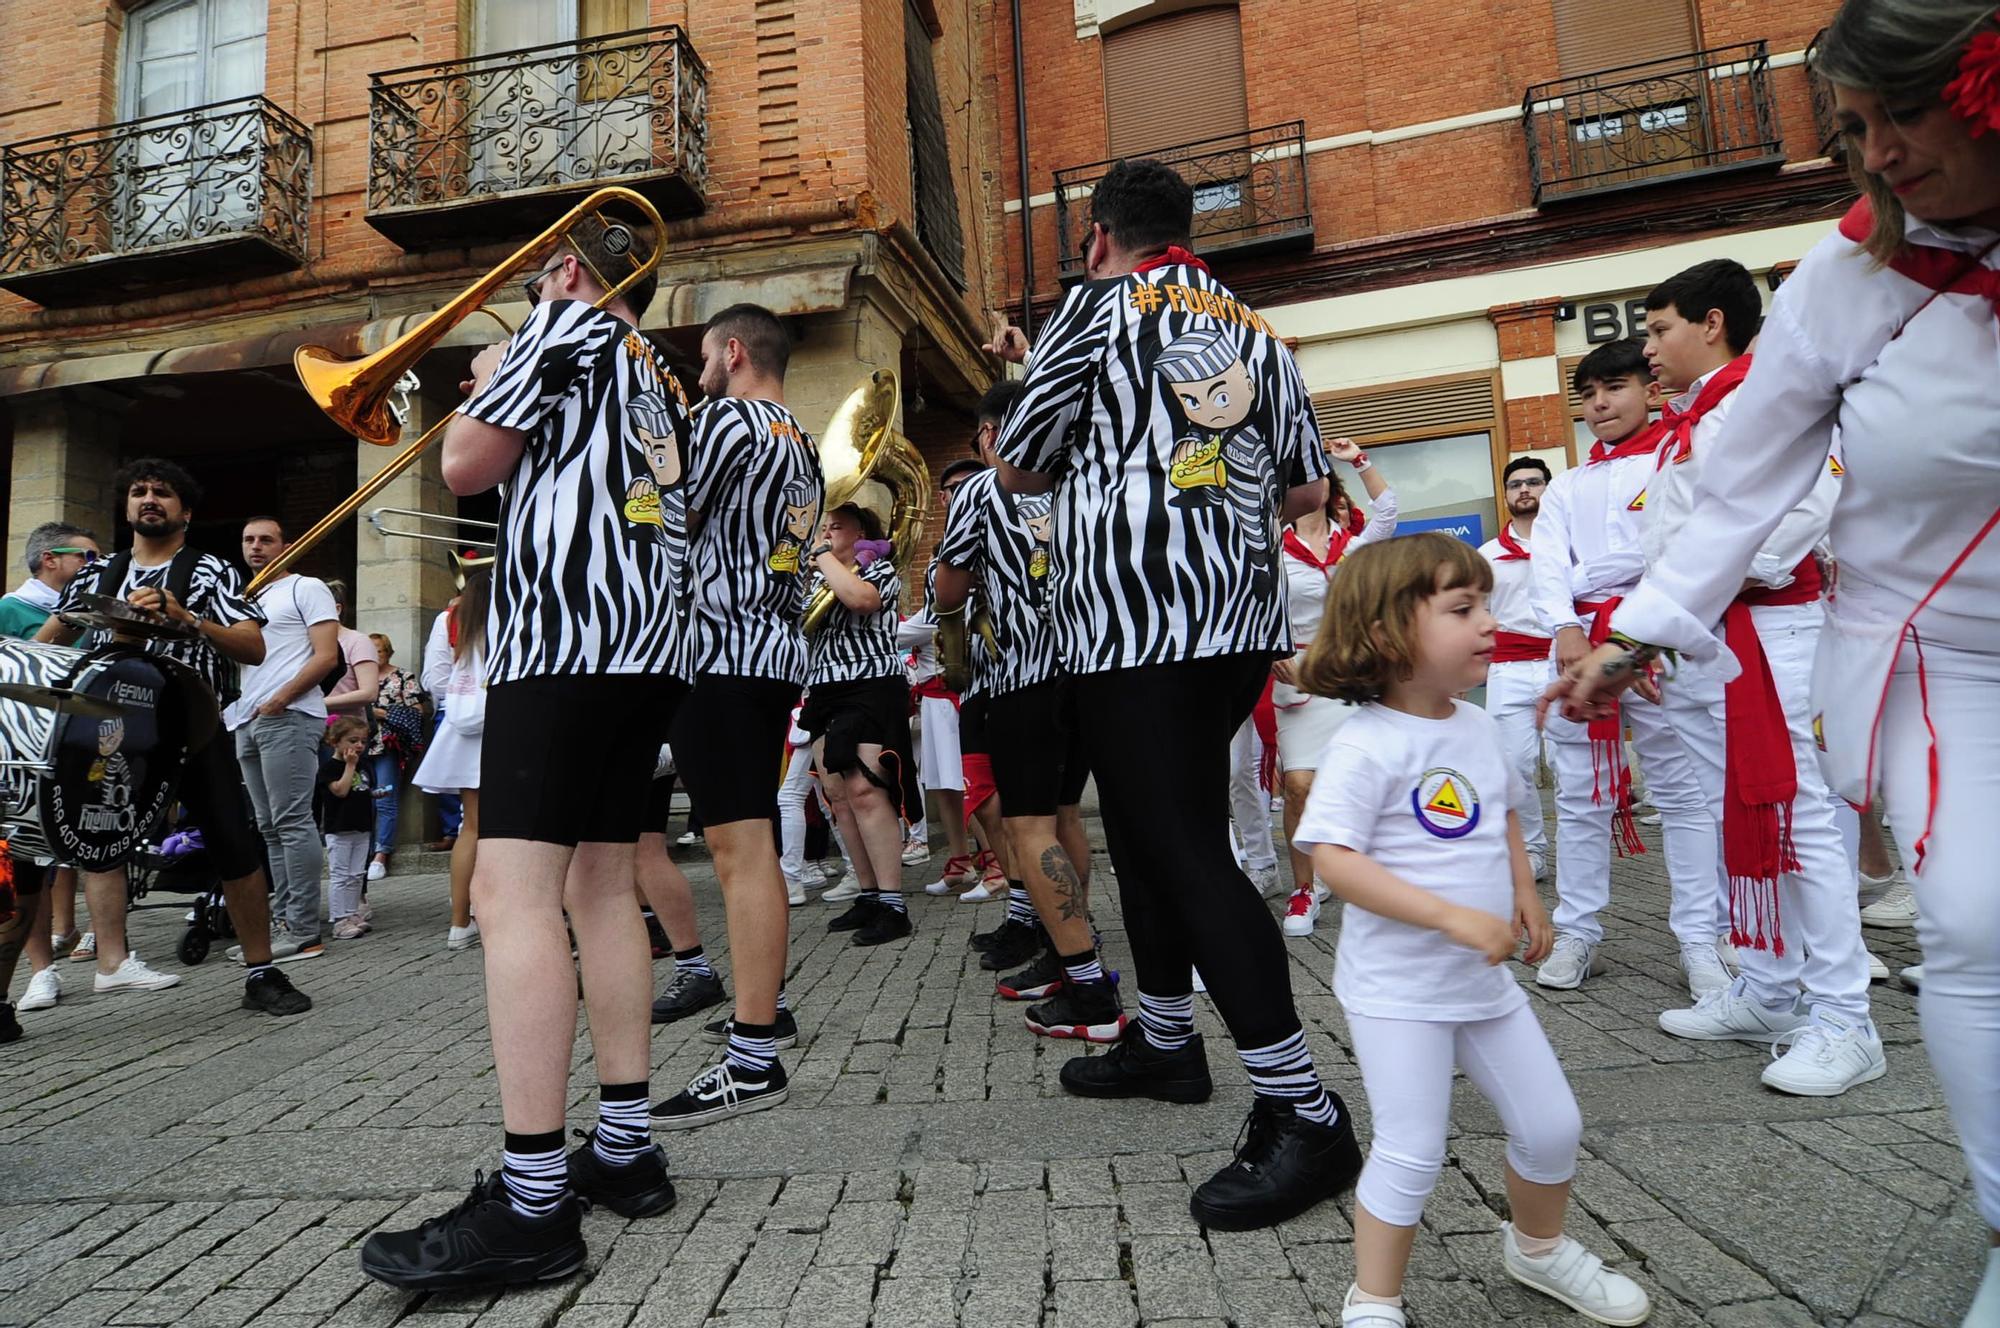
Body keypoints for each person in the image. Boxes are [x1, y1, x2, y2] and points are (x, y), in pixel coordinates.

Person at [1548, 5, 2000, 1314]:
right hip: (1939, 653)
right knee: (1974, 918)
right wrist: (1634, 641)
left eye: (1899, 115)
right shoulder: (1849, 283)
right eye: (1855, 129)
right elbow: (1740, 496)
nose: (1881, 154)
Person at [994, 158, 1357, 1229]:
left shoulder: (1092, 308)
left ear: (1098, 233)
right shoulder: (1254, 325)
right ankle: (1160, 1038)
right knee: (1161, 835)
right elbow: (1301, 487)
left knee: (1181, 845)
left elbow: (1016, 467)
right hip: (1232, 620)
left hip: (1129, 624)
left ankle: (1306, 1113)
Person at [362, 216, 691, 1288]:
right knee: (602, 883)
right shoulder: (654, 369)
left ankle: (534, 1198)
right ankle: (625, 1143)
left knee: (510, 895)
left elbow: (463, 466)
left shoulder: (565, 325)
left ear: (562, 270)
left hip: (566, 645)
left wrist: (494, 372)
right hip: (644, 646)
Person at [1294, 534, 1650, 1328]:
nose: (1490, 621)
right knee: (1412, 1150)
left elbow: (1504, 815)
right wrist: (1450, 914)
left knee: (1553, 1125)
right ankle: (1374, 1300)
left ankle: (1538, 1247)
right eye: (1464, 608)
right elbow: (1333, 859)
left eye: (1487, 602)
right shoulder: (1364, 745)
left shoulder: (1480, 728)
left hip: (1482, 985)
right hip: (1399, 992)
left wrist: (1526, 893)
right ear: (1388, 632)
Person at [1635, 258, 1882, 1095]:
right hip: (1705, 637)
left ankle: (1846, 1018)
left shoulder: (1767, 394)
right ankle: (1770, 988)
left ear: (1712, 323)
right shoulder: (1691, 418)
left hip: (1770, 629)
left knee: (1801, 820)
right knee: (1732, 811)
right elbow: (1669, 540)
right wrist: (1655, 628)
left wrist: (1706, 582)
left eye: (1660, 328)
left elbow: (1805, 505)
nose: (1649, 347)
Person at [35, 459, 311, 1017]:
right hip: (109, 731)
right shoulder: (96, 574)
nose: (149, 499)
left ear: (185, 510)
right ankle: (99, 968)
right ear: (127, 506)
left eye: (162, 492)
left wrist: (189, 620)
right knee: (85, 843)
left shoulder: (210, 570)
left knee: (234, 841)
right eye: (138, 491)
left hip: (191, 726)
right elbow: (51, 637)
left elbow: (252, 647)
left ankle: (261, 970)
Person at [649, 303, 822, 1127]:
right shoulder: (804, 442)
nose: (699, 375)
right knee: (747, 843)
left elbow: (662, 519)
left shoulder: (723, 422)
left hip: (717, 652)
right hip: (770, 652)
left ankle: (753, 1054)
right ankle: (763, 1015)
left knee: (738, 847)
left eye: (705, 359)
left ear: (733, 349)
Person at [1529, 338, 1733, 996]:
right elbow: (1549, 564)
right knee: (1582, 796)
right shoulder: (1568, 485)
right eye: (1587, 395)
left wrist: (1626, 610)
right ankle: (1579, 932)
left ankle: (1702, 939)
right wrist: (1564, 624)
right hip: (1582, 641)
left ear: (1650, 390)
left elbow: (1676, 556)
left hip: (1660, 639)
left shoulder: (1679, 460)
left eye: (1613, 388)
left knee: (1684, 796)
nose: (1599, 404)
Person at [935, 379, 1123, 1042]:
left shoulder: (984, 490)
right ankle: (1066, 945)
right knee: (1065, 814)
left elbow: (950, 589)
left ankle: (1088, 988)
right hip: (1087, 671)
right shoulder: (1082, 477)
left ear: (991, 435)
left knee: (1030, 827)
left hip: (1021, 676)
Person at [1275, 438, 1397, 938]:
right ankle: (1305, 888)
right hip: (1297, 674)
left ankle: (1365, 877)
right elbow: (1253, 603)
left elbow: (1388, 510)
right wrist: (1272, 650)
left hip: (1348, 672)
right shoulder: (1268, 544)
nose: (1310, 486)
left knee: (1358, 776)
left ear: (1326, 488)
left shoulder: (1354, 545)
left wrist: (1360, 460)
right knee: (1299, 785)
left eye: (1316, 477)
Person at [797, 503, 916, 946]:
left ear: (862, 531)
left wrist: (824, 556)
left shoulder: (879, 568)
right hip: (823, 689)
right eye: (824, 527)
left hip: (869, 684)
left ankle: (893, 903)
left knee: (866, 791)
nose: (827, 531)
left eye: (837, 526)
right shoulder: (814, 578)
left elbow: (862, 601)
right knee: (838, 796)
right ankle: (867, 892)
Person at [0, 521, 100, 1027]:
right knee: (31, 860)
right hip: (26, 750)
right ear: (49, 559)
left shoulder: (94, 609)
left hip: (81, 741)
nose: (94, 566)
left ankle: (92, 942)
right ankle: (40, 970)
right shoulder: (9, 608)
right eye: (86, 557)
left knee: (79, 846)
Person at [229, 516, 341, 962]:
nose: (256, 547)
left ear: (286, 545)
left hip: (289, 715)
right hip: (245, 720)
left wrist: (279, 699)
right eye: (248, 539)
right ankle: (283, 924)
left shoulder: (306, 587)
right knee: (270, 827)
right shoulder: (242, 597)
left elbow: (326, 656)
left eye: (266, 540)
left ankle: (303, 928)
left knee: (292, 822)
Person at [1474, 456, 1553, 884]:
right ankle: (1532, 852)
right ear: (1505, 495)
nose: (1524, 490)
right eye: (1515, 484)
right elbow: (1477, 615)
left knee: (1570, 764)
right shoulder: (1488, 556)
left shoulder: (1566, 543)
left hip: (1563, 663)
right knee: (1513, 766)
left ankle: (1582, 853)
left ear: (1548, 489)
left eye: (1534, 482)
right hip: (1509, 669)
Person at [413, 571, 489, 952]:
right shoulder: (519, 611)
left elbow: (434, 678)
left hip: (463, 731)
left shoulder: (450, 619)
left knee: (470, 828)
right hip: (511, 727)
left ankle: (460, 923)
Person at [365, 633, 425, 882]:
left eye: (378, 651)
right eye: (369, 651)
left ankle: (381, 855)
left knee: (385, 799)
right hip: (359, 748)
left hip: (388, 747)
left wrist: (381, 712)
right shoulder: (358, 676)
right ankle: (364, 854)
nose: (374, 656)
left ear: (388, 652)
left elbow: (418, 712)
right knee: (363, 801)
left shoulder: (403, 677)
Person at [319, 717, 375, 941]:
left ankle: (352, 913)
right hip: (340, 828)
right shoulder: (330, 768)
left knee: (357, 875)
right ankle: (339, 918)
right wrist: (350, 766)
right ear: (335, 741)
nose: (359, 746)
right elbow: (340, 791)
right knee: (340, 875)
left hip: (361, 826)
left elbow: (362, 789)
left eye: (363, 741)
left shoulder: (364, 765)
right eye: (353, 740)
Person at [321, 579, 380, 723]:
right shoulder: (307, 641)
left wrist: (318, 703)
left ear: (337, 609)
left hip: (346, 729)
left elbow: (369, 693)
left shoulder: (357, 641)